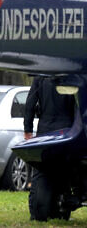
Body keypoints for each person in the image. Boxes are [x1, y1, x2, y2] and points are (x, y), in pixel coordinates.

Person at [24, 76, 76, 221]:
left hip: (45, 129)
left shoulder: (41, 77)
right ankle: (59, 208)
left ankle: (37, 211)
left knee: (42, 170)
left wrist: (27, 128)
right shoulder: (73, 76)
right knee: (63, 171)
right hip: (68, 128)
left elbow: (30, 102)